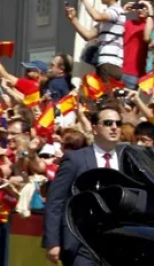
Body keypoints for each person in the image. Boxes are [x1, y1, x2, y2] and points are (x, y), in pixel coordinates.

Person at [44, 104, 124, 266]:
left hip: (117, 243)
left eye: (118, 123)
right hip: (81, 242)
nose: (114, 127)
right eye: (108, 123)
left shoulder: (127, 160)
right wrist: (53, 241)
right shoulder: (75, 160)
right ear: (94, 128)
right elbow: (55, 200)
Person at [66, 0, 126, 84]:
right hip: (104, 63)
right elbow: (88, 35)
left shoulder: (116, 10)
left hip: (110, 63)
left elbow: (97, 16)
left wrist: (84, 0)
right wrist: (73, 19)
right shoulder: (107, 19)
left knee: (107, 98)